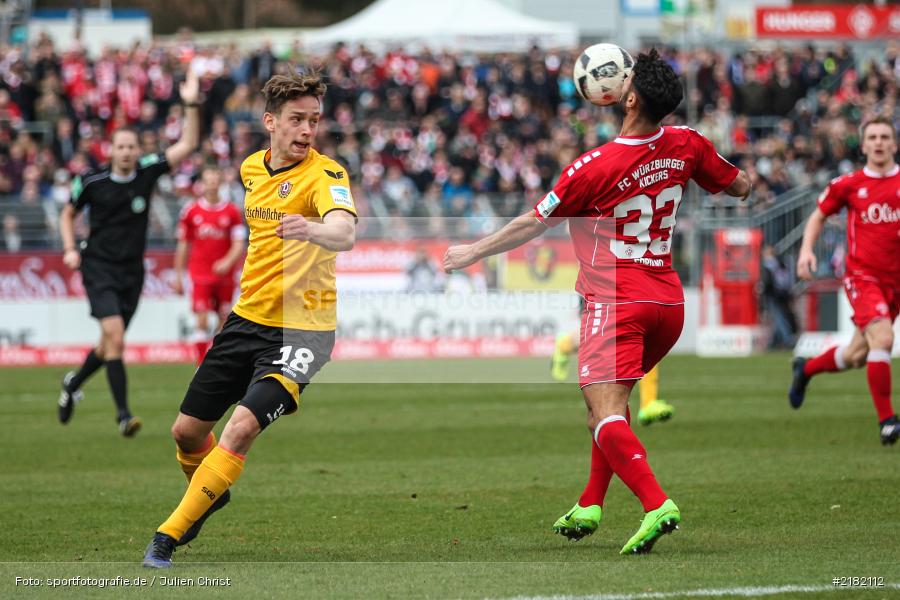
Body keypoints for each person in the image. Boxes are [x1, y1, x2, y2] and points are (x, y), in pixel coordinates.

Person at [444, 49, 750, 555]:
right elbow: (741, 185)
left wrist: (474, 251)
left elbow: (531, 222)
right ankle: (590, 502)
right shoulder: (688, 144)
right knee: (608, 411)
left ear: (627, 98)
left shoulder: (592, 168)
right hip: (668, 305)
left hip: (616, 302)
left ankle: (657, 504)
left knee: (605, 411)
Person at [142, 70, 357, 568]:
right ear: (270, 122)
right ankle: (211, 490)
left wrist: (316, 229)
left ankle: (167, 536)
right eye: (296, 120)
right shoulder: (250, 170)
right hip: (245, 321)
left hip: (304, 331)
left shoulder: (327, 176)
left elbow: (345, 232)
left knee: (239, 428)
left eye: (314, 121)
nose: (307, 131)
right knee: (186, 433)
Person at [57, 70, 201, 437]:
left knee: (109, 344)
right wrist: (71, 248)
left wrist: (189, 103)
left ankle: (73, 383)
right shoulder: (92, 181)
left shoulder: (147, 172)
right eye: (119, 146)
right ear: (111, 150)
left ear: (137, 150)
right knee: (116, 337)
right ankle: (123, 416)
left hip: (132, 272)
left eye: (131, 147)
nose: (125, 152)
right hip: (98, 266)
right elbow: (68, 213)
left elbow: (187, 143)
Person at [788, 115, 900, 446]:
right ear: (864, 146)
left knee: (856, 355)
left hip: (895, 283)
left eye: (885, 137)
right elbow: (818, 215)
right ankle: (887, 421)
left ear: (894, 143)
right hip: (862, 277)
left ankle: (805, 370)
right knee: (882, 338)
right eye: (873, 137)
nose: (879, 142)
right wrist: (806, 251)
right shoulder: (848, 184)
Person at [173, 166, 246, 363]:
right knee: (202, 319)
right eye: (208, 181)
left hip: (225, 275)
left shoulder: (231, 212)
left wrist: (227, 261)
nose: (212, 185)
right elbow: (183, 245)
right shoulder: (191, 211)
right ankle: (200, 365)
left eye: (215, 181)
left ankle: (214, 361)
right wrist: (178, 276)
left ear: (220, 183)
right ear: (202, 184)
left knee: (223, 319)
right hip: (200, 274)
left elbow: (239, 244)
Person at [552, 326, 674, 425]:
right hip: (605, 300)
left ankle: (648, 403)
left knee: (645, 343)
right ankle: (564, 345)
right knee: (596, 337)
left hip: (632, 302)